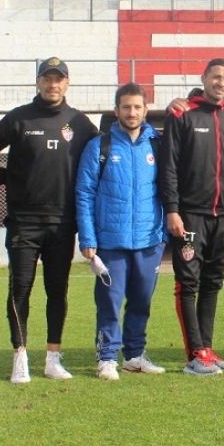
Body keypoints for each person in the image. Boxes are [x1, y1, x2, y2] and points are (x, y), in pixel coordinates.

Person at [0, 56, 98, 384]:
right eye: (47, 79)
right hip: (24, 223)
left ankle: (53, 356)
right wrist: (11, 177)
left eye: (59, 79)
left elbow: (98, 162)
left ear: (67, 83)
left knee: (57, 290)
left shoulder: (79, 123)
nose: (53, 84)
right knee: (20, 289)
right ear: (38, 82)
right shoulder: (19, 118)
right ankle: (19, 356)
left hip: (63, 224)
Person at [76, 83, 167, 380]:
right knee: (110, 303)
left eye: (137, 107)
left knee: (142, 302)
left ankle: (135, 355)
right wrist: (88, 238)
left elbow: (167, 190)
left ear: (145, 110)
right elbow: (84, 193)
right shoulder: (99, 146)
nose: (132, 112)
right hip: (111, 241)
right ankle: (106, 357)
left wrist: (163, 233)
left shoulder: (156, 145)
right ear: (116, 111)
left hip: (148, 241)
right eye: (126, 107)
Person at [159, 58, 224, 376]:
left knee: (213, 283)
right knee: (188, 284)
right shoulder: (182, 114)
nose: (221, 82)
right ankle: (194, 354)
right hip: (190, 215)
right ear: (204, 78)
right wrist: (173, 209)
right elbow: (169, 167)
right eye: (216, 76)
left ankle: (206, 348)